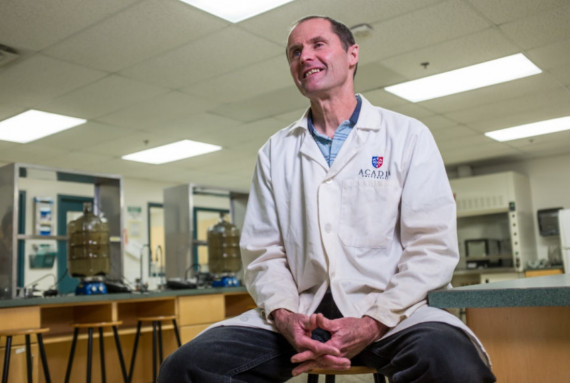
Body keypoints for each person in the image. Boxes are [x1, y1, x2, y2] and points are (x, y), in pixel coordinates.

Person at [158, 16, 496, 383]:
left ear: (352, 54)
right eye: (295, 52)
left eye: (318, 44)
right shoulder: (275, 152)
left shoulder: (407, 136)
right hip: (303, 318)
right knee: (185, 368)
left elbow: (431, 246)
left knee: (455, 366)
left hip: (395, 314)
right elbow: (264, 253)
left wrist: (372, 323)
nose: (305, 57)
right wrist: (287, 318)